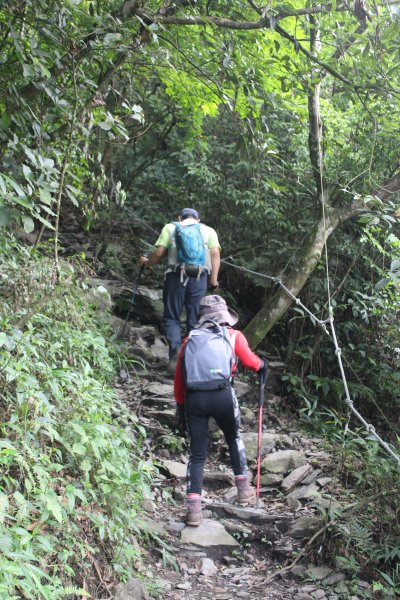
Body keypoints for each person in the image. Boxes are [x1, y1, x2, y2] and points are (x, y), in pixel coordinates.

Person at [174, 295, 268, 527]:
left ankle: (194, 510)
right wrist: (262, 367)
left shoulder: (189, 341)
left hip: (195, 399)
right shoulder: (234, 336)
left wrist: (181, 406)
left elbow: (179, 379)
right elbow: (252, 362)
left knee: (197, 453)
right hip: (223, 395)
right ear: (225, 317)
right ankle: (244, 490)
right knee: (234, 438)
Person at [140, 208, 220, 373]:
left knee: (172, 316)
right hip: (199, 278)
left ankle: (175, 352)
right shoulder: (208, 231)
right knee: (195, 319)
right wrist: (213, 280)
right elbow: (215, 255)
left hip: (175, 276)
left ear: (180, 218)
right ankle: (191, 360)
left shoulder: (170, 227)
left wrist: (146, 264)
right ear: (197, 219)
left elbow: (160, 253)